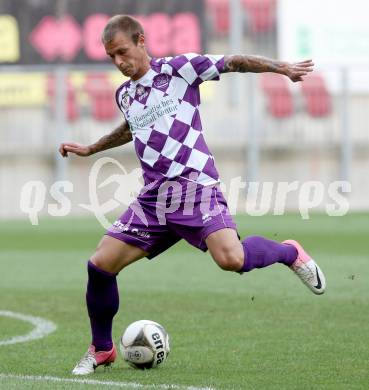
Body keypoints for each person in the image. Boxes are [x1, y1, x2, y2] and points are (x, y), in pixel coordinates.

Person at [59, 15, 326, 376]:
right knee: (100, 266)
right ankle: (102, 349)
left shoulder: (180, 69)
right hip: (154, 200)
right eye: (111, 57)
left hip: (195, 187)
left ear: (141, 41)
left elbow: (232, 62)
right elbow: (133, 127)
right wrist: (93, 148)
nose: (119, 62)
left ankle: (289, 252)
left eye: (122, 52)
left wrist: (281, 68)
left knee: (232, 259)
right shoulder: (124, 95)